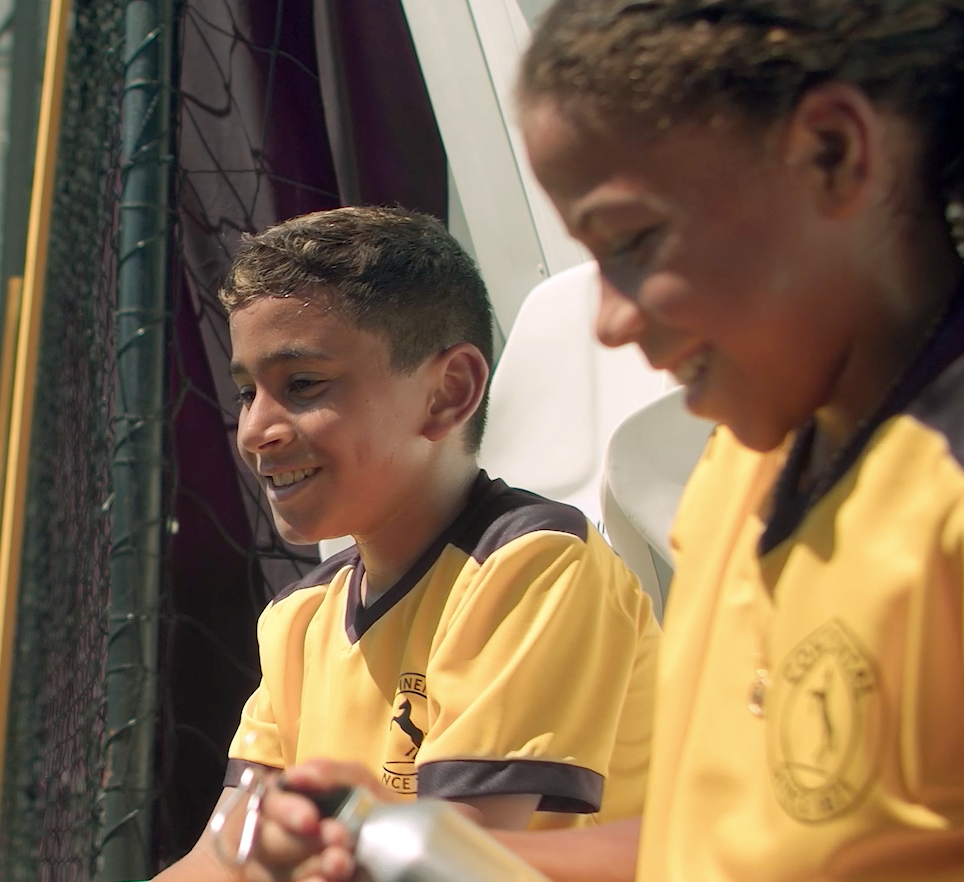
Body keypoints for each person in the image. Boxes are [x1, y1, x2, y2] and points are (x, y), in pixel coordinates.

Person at [239, 0, 964, 880]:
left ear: (833, 153)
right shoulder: (744, 472)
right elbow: (705, 845)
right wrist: (425, 844)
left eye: (635, 243)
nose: (608, 320)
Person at [153, 207, 661, 881]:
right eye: (247, 392)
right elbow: (221, 861)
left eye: (301, 385)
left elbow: (450, 862)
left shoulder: (532, 566)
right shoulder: (297, 619)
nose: (255, 429)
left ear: (447, 393)